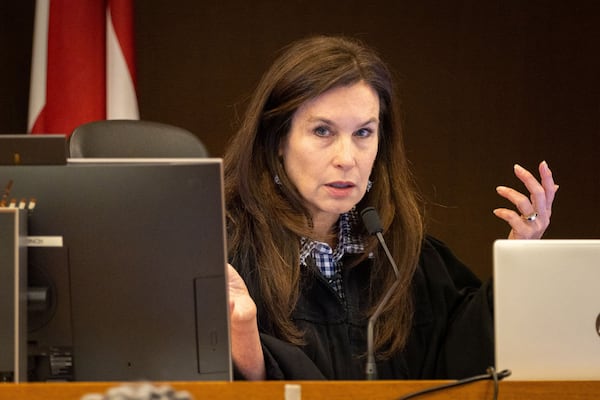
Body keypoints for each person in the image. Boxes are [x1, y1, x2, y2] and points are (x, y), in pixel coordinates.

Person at [223, 35, 558, 381]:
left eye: (363, 133)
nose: (347, 159)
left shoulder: (401, 253)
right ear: (278, 140)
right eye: (323, 131)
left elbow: (463, 364)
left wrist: (519, 262)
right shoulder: (228, 254)